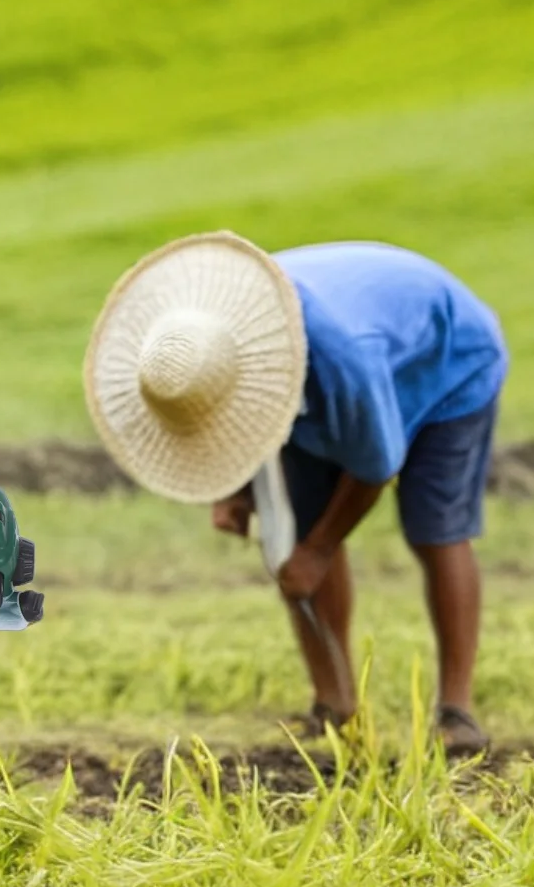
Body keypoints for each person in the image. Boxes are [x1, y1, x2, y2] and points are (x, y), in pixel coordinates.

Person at [83, 232, 507, 754]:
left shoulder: (343, 364)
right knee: (298, 527)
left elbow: (375, 468)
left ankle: (456, 712)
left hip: (449, 364)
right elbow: (222, 416)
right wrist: (234, 491)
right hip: (331, 366)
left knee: (434, 530)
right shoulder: (194, 338)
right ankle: (336, 707)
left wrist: (319, 550)